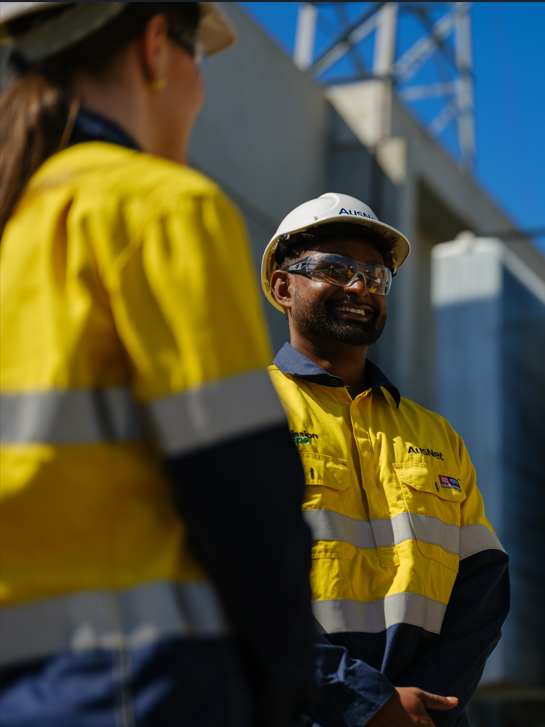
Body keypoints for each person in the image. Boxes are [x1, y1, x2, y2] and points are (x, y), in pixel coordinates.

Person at [0, 3, 315, 725]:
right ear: (153, 49)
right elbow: (240, 483)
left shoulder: (17, 222)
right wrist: (288, 681)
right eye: (197, 62)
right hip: (135, 684)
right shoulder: (161, 209)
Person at [262, 193, 510, 727]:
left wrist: (422, 702)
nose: (360, 288)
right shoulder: (245, 414)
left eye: (375, 277)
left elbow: (482, 584)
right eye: (335, 269)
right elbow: (224, 583)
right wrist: (365, 702)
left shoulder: (436, 434)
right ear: (284, 286)